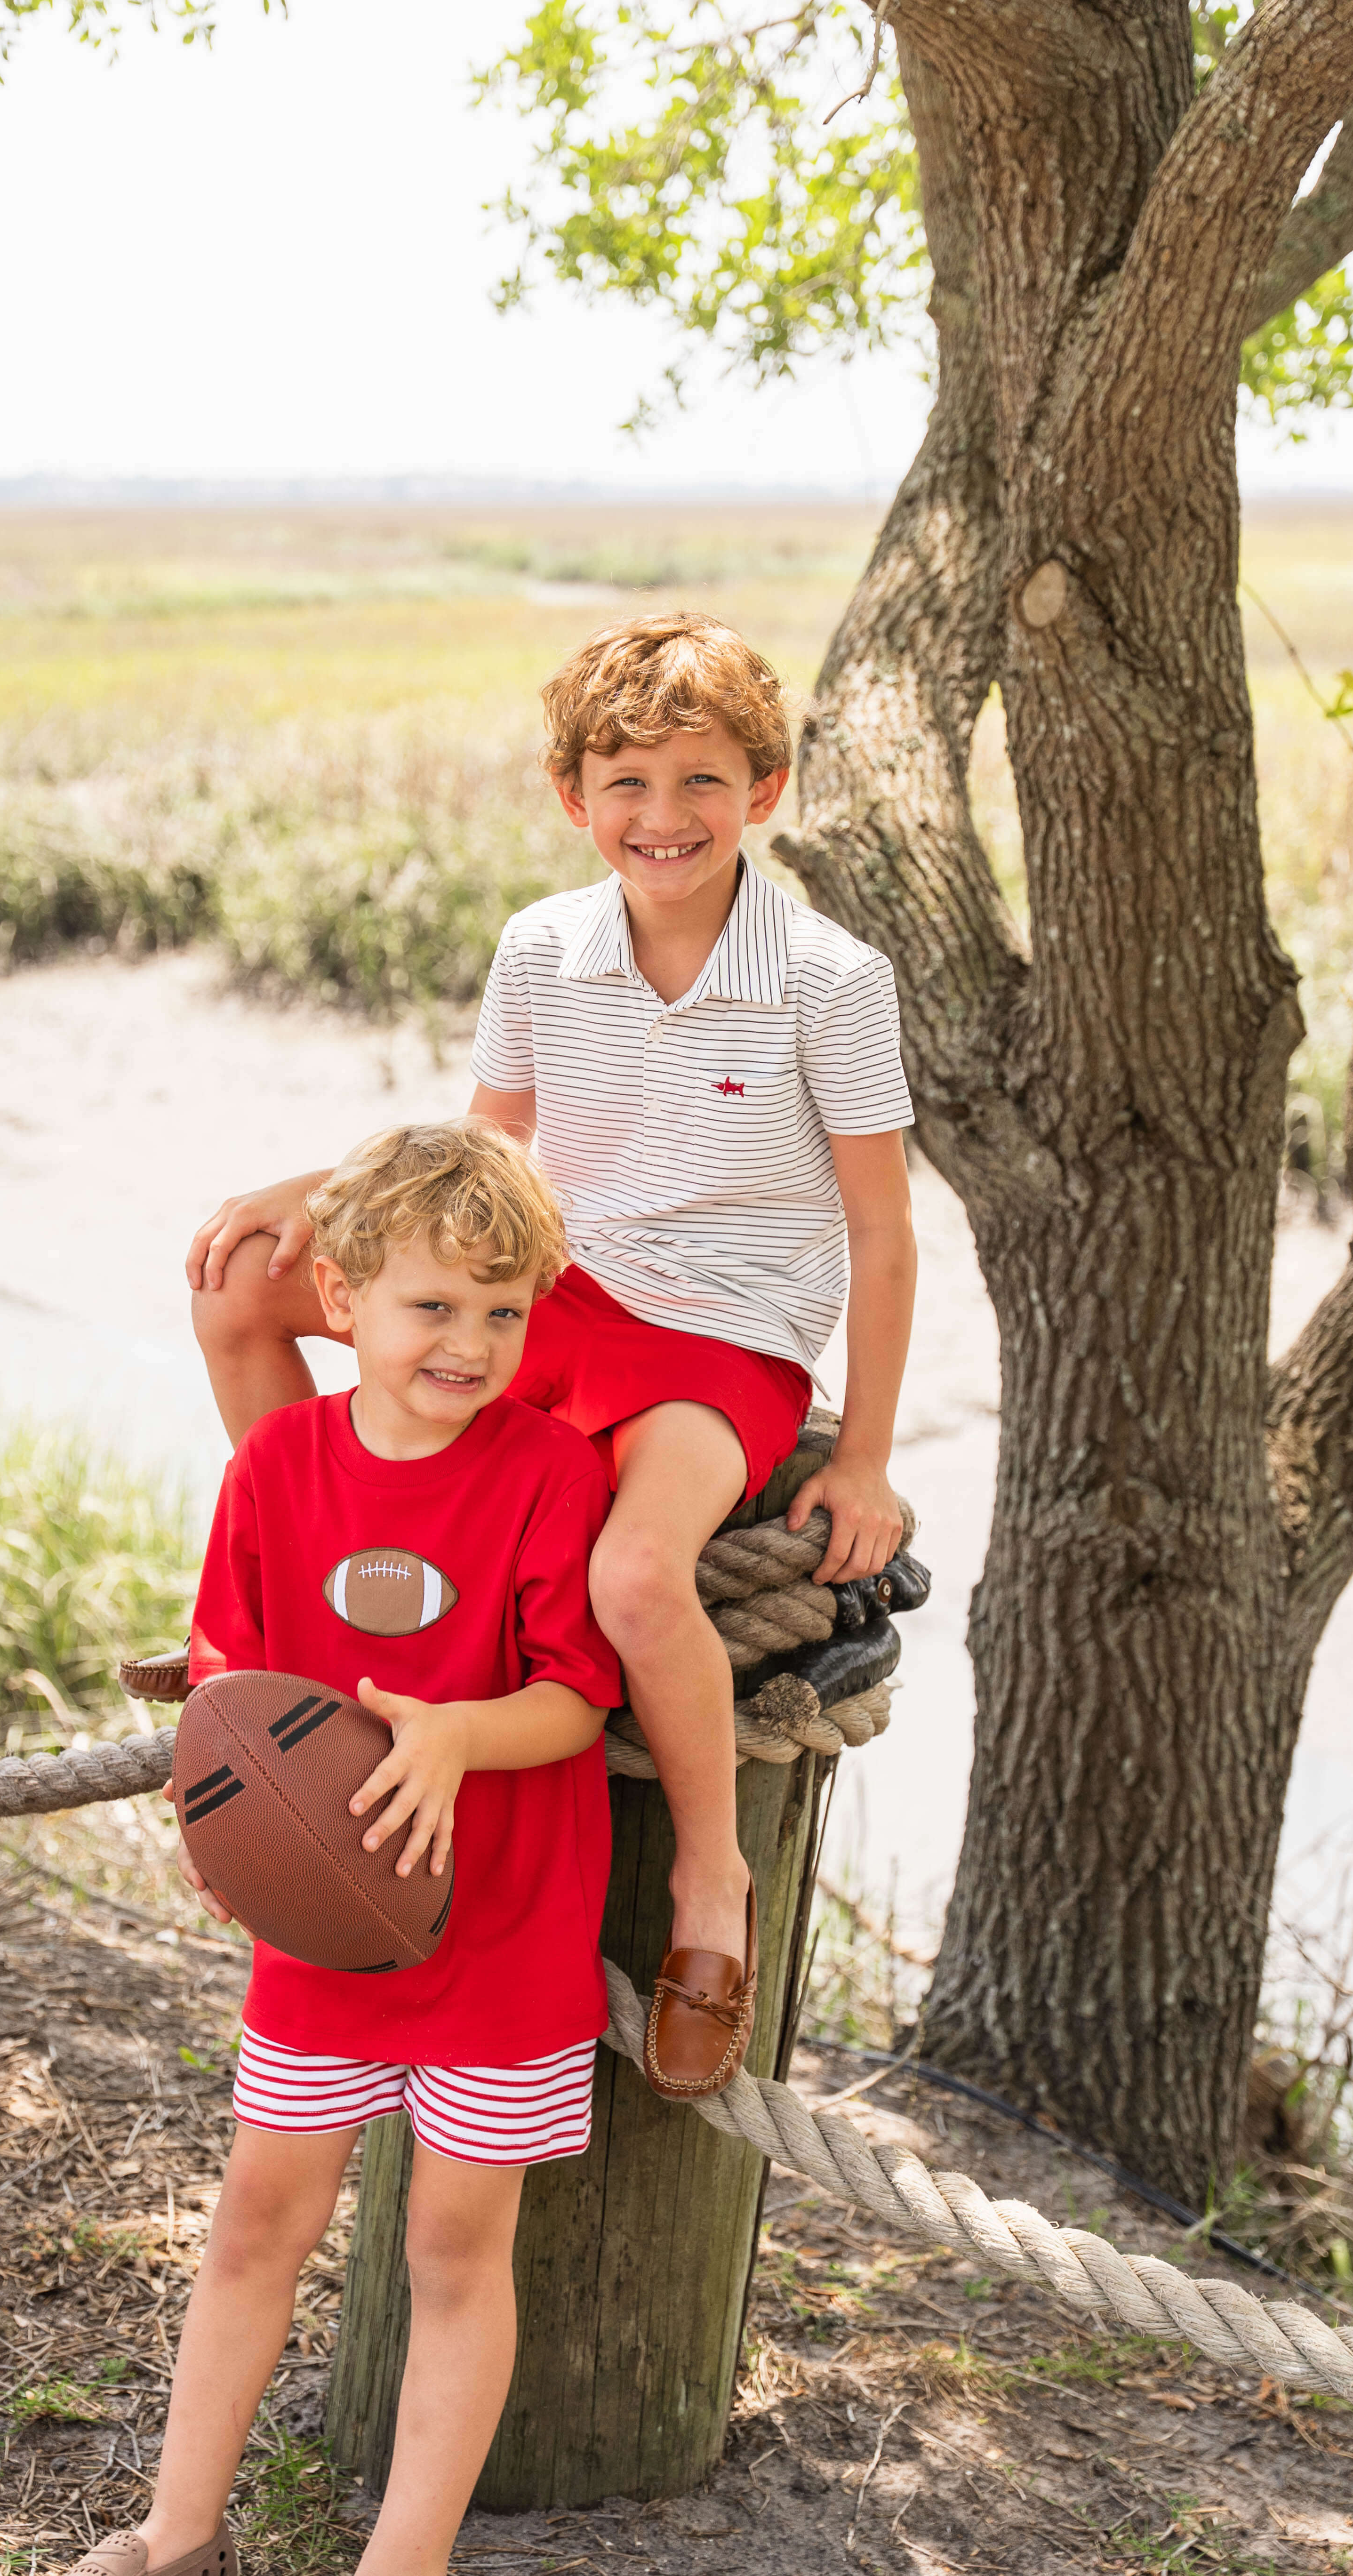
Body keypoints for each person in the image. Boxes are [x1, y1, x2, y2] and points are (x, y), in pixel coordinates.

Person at [186, 610, 916, 2101]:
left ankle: (710, 1883)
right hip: (553, 1287)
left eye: (702, 782)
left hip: (727, 1334)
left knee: (638, 1578)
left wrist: (866, 1456)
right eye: (629, 783)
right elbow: (487, 1156)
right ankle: (319, 1660)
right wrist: (323, 1197)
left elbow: (884, 1235)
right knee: (245, 1291)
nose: (664, 818)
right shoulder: (542, 948)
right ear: (572, 794)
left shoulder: (832, 980)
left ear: (764, 792)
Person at [19, 1122, 620, 2576]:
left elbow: (575, 1698)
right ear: (343, 1301)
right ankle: (176, 2535)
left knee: (451, 2247)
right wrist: (222, 1810)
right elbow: (236, 1675)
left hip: (497, 1936)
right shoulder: (280, 1466)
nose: (473, 1346)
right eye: (436, 1309)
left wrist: (454, 1731)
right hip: (326, 1945)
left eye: (505, 1315)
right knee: (254, 2228)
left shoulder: (551, 1474)